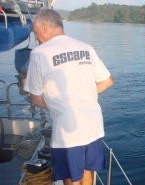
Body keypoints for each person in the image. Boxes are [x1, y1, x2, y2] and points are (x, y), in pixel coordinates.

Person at [24, 9, 114, 185]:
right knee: (87, 170)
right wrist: (82, 97)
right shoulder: (85, 48)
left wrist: (61, 106)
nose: (36, 39)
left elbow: (35, 97)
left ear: (44, 28)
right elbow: (107, 81)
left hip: (68, 129)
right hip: (93, 124)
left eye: (36, 33)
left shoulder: (39, 53)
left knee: (71, 177)